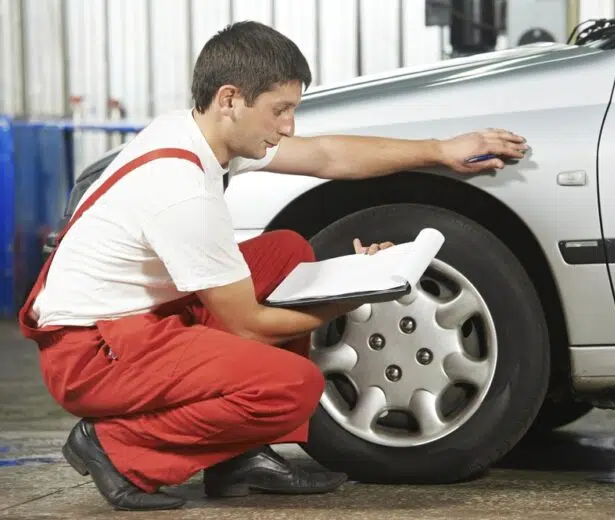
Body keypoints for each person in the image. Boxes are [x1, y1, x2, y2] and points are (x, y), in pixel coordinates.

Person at [18, 21, 528, 512]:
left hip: (132, 318)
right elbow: (251, 324)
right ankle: (115, 446)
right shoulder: (181, 190)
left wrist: (441, 150)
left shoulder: (201, 132)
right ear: (230, 99)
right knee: (292, 386)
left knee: (285, 252)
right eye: (280, 110)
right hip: (93, 352)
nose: (289, 126)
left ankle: (238, 458)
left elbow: (327, 155)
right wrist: (351, 296)